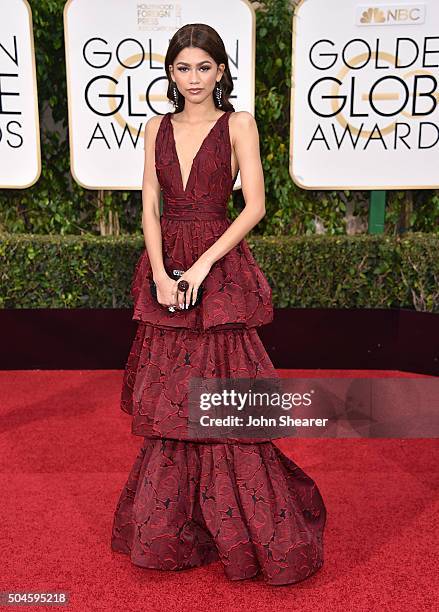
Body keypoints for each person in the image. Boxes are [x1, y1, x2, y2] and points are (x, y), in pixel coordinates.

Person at [111, 23, 326, 586]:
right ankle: (178, 522)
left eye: (204, 67)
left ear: (222, 70)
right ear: (171, 73)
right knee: (173, 402)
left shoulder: (240, 124)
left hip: (220, 266)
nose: (194, 79)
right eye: (183, 68)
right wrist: (160, 272)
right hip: (166, 267)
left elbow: (254, 205)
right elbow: (149, 207)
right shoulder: (155, 125)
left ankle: (245, 526)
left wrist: (203, 264)